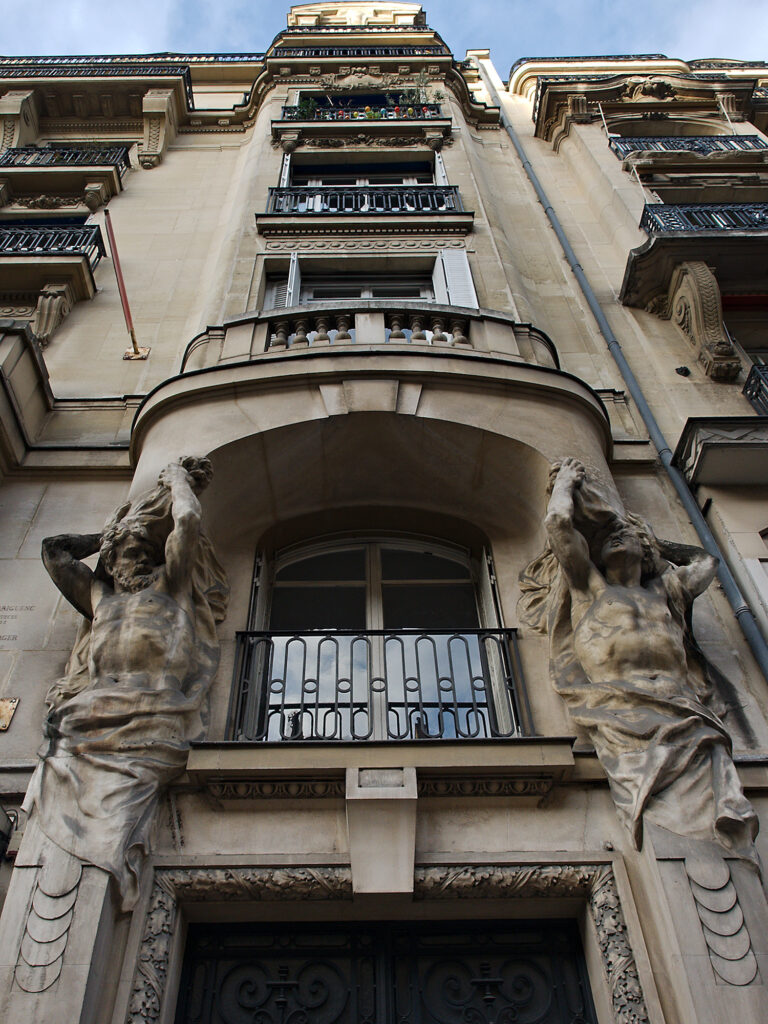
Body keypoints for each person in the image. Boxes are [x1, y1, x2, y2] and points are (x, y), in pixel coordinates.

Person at [520, 458, 756, 855]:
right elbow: (559, 525)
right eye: (610, 536)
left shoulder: (666, 592)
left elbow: (706, 562)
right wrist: (566, 483)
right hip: (620, 710)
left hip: (683, 711)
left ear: (646, 550)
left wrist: (656, 543)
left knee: (706, 826)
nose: (614, 537)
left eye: (624, 535)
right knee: (659, 820)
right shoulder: (589, 587)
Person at [25, 458, 228, 910]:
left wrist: (176, 482)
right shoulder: (100, 597)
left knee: (112, 833)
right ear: (111, 562)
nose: (133, 557)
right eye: (125, 553)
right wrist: (112, 533)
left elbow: (188, 520)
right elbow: (54, 551)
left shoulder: (170, 586)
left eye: (141, 550)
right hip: (85, 719)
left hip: (152, 715)